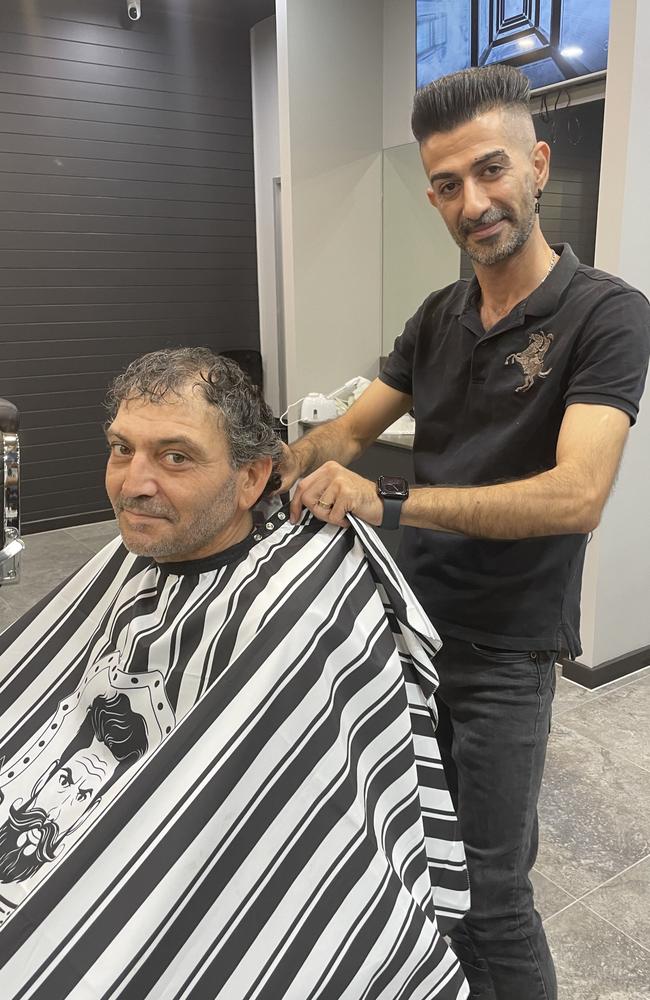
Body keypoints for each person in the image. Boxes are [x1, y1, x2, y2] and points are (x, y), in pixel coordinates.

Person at [278, 66, 650, 1000]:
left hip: (504, 652)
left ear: (537, 164)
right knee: (418, 866)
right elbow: (349, 431)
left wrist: (391, 500)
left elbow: (577, 496)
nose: (472, 203)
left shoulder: (606, 315)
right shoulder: (437, 317)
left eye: (489, 172)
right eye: (447, 184)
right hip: (399, 631)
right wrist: (244, 467)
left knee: (493, 896)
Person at [0, 347, 470, 999]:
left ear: (252, 480)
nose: (134, 483)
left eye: (175, 456)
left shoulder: (296, 614)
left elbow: (275, 832)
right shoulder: (145, 549)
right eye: (121, 448)